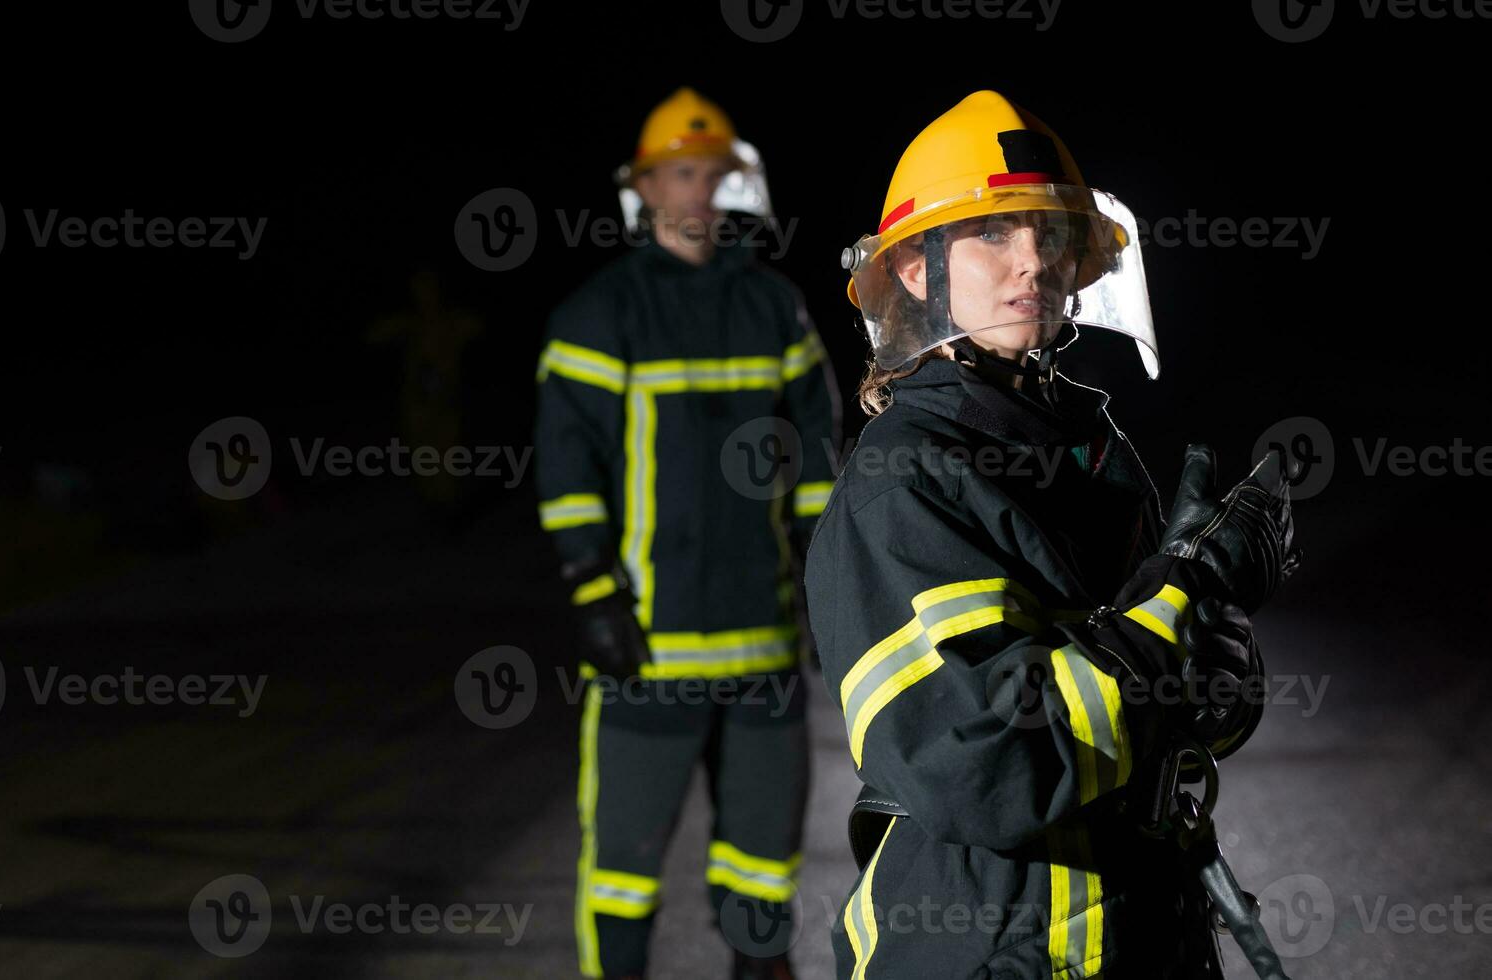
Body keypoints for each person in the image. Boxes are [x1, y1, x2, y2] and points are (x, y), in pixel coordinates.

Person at [805, 90, 1299, 978]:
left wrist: (1220, 672)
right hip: (996, 945)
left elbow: (1158, 710)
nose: (1031, 261)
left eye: (1048, 234)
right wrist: (1181, 600)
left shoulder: (1083, 446)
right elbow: (992, 766)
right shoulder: (905, 479)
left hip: (1143, 925)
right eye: (992, 233)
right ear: (916, 270)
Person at [533, 86, 842, 979]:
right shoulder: (598, 314)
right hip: (646, 656)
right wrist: (591, 588)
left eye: (713, 175)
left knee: (763, 872)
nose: (697, 192)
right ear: (644, 187)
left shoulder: (775, 308)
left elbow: (819, 462)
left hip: (762, 656)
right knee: (621, 876)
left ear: (737, 185)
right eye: (680, 175)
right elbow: (566, 468)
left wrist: (832, 596)